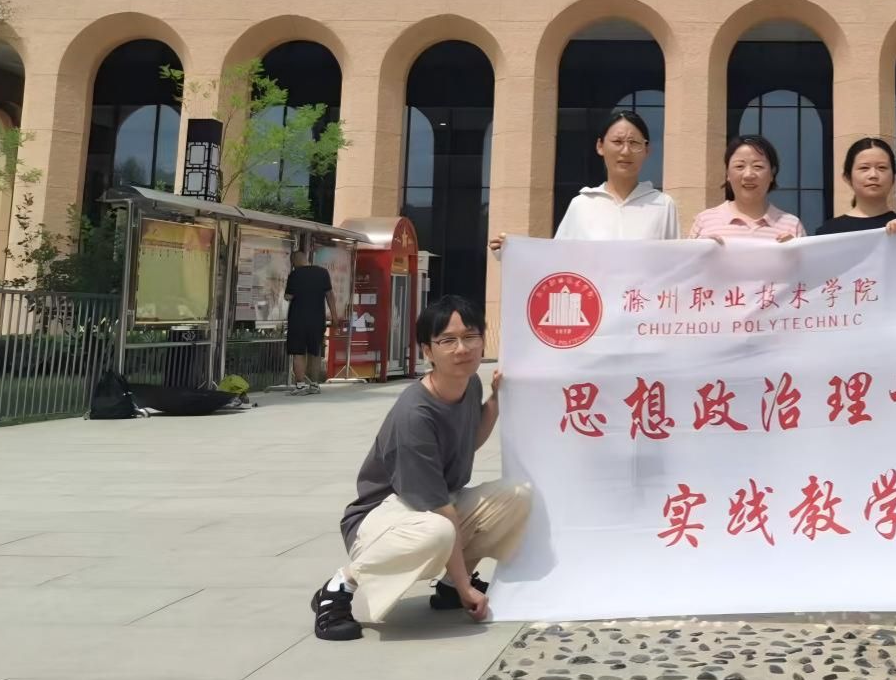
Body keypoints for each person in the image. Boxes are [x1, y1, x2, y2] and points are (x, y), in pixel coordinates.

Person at [311, 295, 532, 642]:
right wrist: (468, 589)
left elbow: (469, 441)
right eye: (448, 340)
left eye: (470, 337)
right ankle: (338, 588)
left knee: (517, 495)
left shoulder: (468, 384)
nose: (462, 349)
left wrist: (495, 399)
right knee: (439, 531)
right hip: (383, 518)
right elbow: (441, 511)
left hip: (431, 506)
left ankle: (448, 588)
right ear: (428, 350)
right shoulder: (415, 414)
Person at [489, 109, 678, 255]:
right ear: (600, 146)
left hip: (640, 296)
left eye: (634, 143)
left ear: (646, 150)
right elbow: (556, 259)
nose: (626, 151)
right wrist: (513, 251)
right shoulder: (582, 205)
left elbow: (676, 264)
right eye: (617, 142)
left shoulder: (662, 205)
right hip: (594, 296)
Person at [688, 134, 805, 242]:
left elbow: (806, 259)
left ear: (772, 173)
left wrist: (795, 251)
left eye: (758, 166)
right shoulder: (704, 221)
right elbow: (686, 258)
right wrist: (702, 249)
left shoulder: (792, 225)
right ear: (727, 173)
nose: (748, 175)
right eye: (739, 166)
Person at [815, 137, 896, 235]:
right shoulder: (827, 232)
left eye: (882, 167)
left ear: (894, 177)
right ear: (847, 177)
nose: (873, 175)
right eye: (864, 168)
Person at [284, 249, 339, 394]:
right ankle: (314, 385)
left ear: (294, 262)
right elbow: (330, 295)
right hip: (317, 319)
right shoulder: (322, 273)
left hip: (297, 320)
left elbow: (288, 296)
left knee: (298, 353)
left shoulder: (294, 274)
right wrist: (334, 316)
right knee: (315, 352)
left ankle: (300, 385)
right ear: (306, 259)